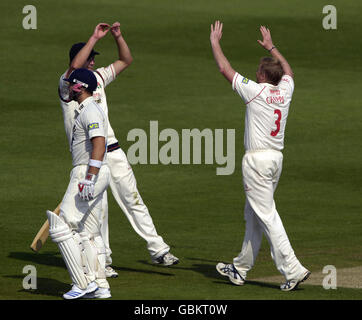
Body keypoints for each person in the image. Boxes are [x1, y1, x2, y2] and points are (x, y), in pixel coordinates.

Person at [58, 23, 179, 277]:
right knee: (98, 211)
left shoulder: (98, 78)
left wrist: (118, 37)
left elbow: (126, 59)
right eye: (89, 58)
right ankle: (104, 260)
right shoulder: (67, 85)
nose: (92, 62)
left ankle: (159, 250)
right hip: (88, 157)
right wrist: (93, 37)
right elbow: (74, 68)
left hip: (113, 151)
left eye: (93, 59)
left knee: (133, 199)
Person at [210, 21, 310, 291]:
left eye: (258, 72)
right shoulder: (285, 91)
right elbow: (288, 71)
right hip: (276, 160)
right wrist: (273, 48)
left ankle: (293, 269)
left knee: (266, 215)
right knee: (253, 214)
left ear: (264, 76)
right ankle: (240, 268)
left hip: (257, 161)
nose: (255, 75)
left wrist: (215, 43)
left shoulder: (256, 92)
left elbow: (225, 69)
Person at [48, 68, 111, 299]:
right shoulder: (84, 109)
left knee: (62, 225)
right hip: (93, 172)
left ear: (81, 86)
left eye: (73, 84)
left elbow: (99, 143)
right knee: (89, 232)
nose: (70, 87)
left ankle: (81, 284)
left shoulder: (90, 111)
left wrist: (90, 178)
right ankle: (100, 285)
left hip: (87, 172)